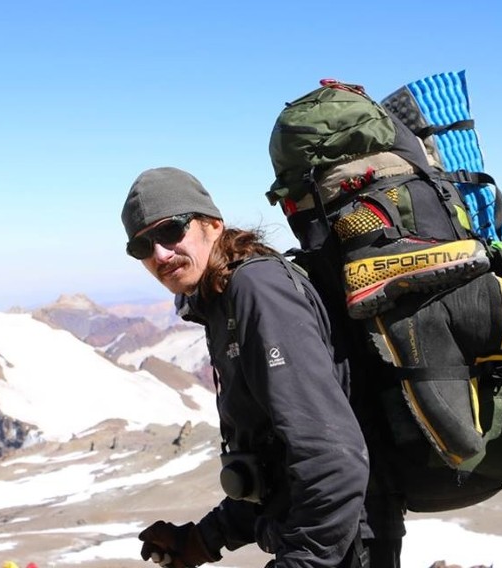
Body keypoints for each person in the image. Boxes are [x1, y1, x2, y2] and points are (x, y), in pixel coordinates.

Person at [120, 166, 370, 568]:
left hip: (346, 542)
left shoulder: (257, 290)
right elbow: (273, 461)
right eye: (142, 246)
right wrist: (202, 539)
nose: (160, 254)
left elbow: (332, 460)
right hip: (325, 539)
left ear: (213, 225)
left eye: (170, 231)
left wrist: (302, 561)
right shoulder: (219, 300)